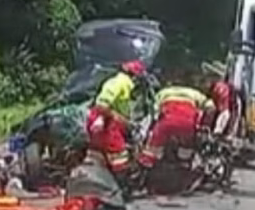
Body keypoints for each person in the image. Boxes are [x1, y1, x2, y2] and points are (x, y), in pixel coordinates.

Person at [85, 60, 147, 192]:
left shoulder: (122, 83)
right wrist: (115, 117)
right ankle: (120, 188)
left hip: (107, 121)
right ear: (134, 76)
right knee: (119, 157)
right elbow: (102, 104)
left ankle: (100, 185)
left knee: (101, 155)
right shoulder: (120, 82)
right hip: (106, 122)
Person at [138, 79, 215, 169]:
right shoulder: (194, 93)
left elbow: (154, 113)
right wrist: (204, 124)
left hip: (167, 123)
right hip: (187, 124)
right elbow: (211, 107)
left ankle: (146, 165)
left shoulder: (163, 92)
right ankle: (184, 165)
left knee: (153, 147)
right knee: (187, 149)